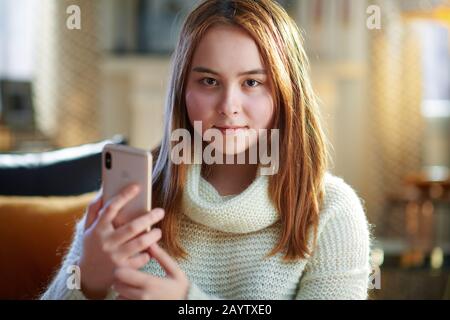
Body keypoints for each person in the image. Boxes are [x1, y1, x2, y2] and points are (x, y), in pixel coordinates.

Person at [41, 0, 372, 300]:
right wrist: (88, 280)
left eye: (252, 82)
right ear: (183, 90)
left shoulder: (332, 211)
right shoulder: (133, 195)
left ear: (287, 94)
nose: (229, 106)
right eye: (209, 82)